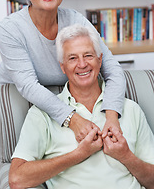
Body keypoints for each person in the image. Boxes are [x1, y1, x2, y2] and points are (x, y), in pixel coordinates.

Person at [0, 0, 125, 141]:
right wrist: (73, 119)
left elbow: (112, 69)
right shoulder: (9, 29)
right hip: (19, 99)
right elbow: (28, 86)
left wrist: (112, 116)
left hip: (66, 96)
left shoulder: (76, 20)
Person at [9, 24, 154, 189]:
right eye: (72, 58)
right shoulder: (42, 114)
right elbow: (16, 179)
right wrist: (79, 154)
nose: (82, 64)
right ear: (62, 67)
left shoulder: (131, 109)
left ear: (100, 60)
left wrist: (126, 156)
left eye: (88, 55)